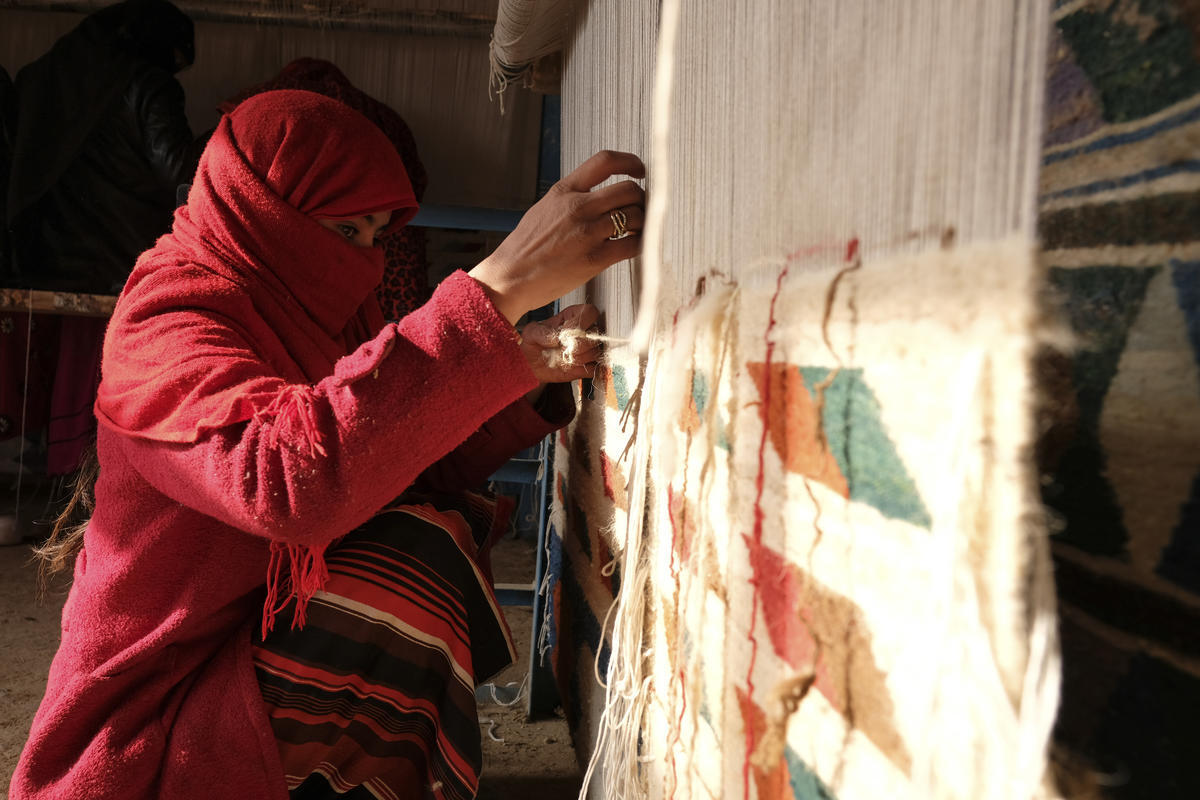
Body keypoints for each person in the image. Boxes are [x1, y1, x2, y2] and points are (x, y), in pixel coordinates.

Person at [10, 89, 644, 800]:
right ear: (262, 212)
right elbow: (289, 483)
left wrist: (515, 375)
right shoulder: (166, 318)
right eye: (347, 230)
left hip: (243, 650)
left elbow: (401, 463)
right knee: (412, 566)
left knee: (427, 535)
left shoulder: (316, 308)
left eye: (375, 236)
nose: (362, 259)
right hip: (154, 725)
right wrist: (494, 290)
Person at [5, 0, 204, 294]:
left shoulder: (40, 79)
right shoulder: (148, 84)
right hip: (124, 270)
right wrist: (230, 129)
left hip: (39, 273)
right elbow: (177, 171)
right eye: (174, 61)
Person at [218, 57, 433, 321]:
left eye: (378, 238)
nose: (371, 268)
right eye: (348, 230)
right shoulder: (200, 315)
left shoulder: (344, 316)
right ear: (270, 207)